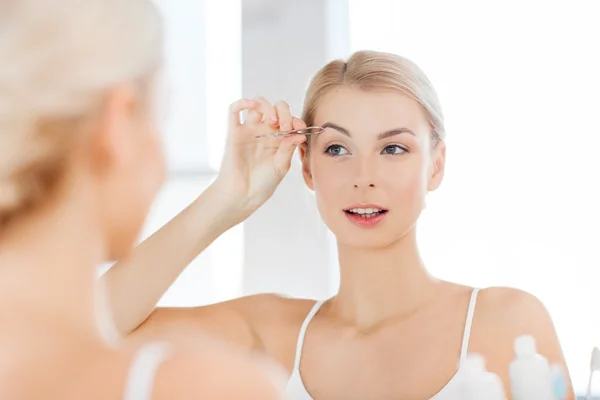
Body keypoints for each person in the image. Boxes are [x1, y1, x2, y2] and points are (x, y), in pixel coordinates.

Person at [105, 50, 575, 399]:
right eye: (336, 149)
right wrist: (226, 202)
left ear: (436, 166)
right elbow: (86, 333)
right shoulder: (270, 334)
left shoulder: (506, 322)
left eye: (393, 149)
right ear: (306, 167)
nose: (363, 178)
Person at [0, 0, 302, 398]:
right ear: (119, 122)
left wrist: (228, 199)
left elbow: (97, 315)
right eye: (163, 115)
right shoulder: (203, 387)